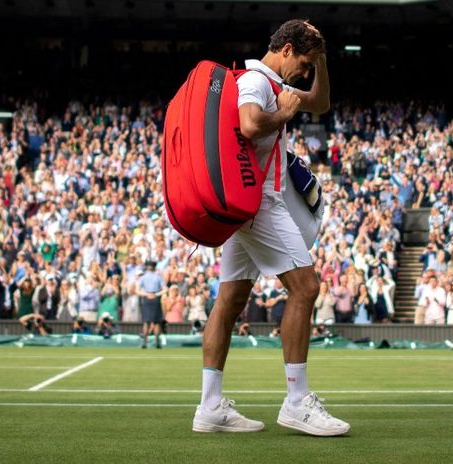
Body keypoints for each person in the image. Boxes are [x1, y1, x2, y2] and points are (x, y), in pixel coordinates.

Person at [194, 20, 349, 437]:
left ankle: (209, 406)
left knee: (230, 298)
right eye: (303, 61)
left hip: (246, 205)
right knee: (306, 288)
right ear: (284, 50)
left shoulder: (271, 80)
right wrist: (282, 112)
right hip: (260, 203)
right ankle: (297, 402)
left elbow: (320, 103)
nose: (303, 70)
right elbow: (249, 124)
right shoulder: (257, 83)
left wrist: (322, 60)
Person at [138, 260, 165, 349]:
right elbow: (165, 289)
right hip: (154, 298)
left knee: (147, 321)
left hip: (148, 299)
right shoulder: (158, 276)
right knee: (156, 322)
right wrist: (155, 294)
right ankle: (156, 342)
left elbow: (137, 290)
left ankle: (145, 342)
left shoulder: (143, 277)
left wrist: (147, 294)